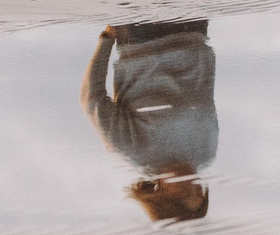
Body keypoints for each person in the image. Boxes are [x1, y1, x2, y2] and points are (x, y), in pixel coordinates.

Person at [82, 20, 216, 223]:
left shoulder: (133, 149)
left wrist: (107, 39)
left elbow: (91, 100)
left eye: (183, 193)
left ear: (160, 191)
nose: (193, 184)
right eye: (198, 190)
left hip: (143, 37)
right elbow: (205, 88)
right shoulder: (206, 152)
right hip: (194, 30)